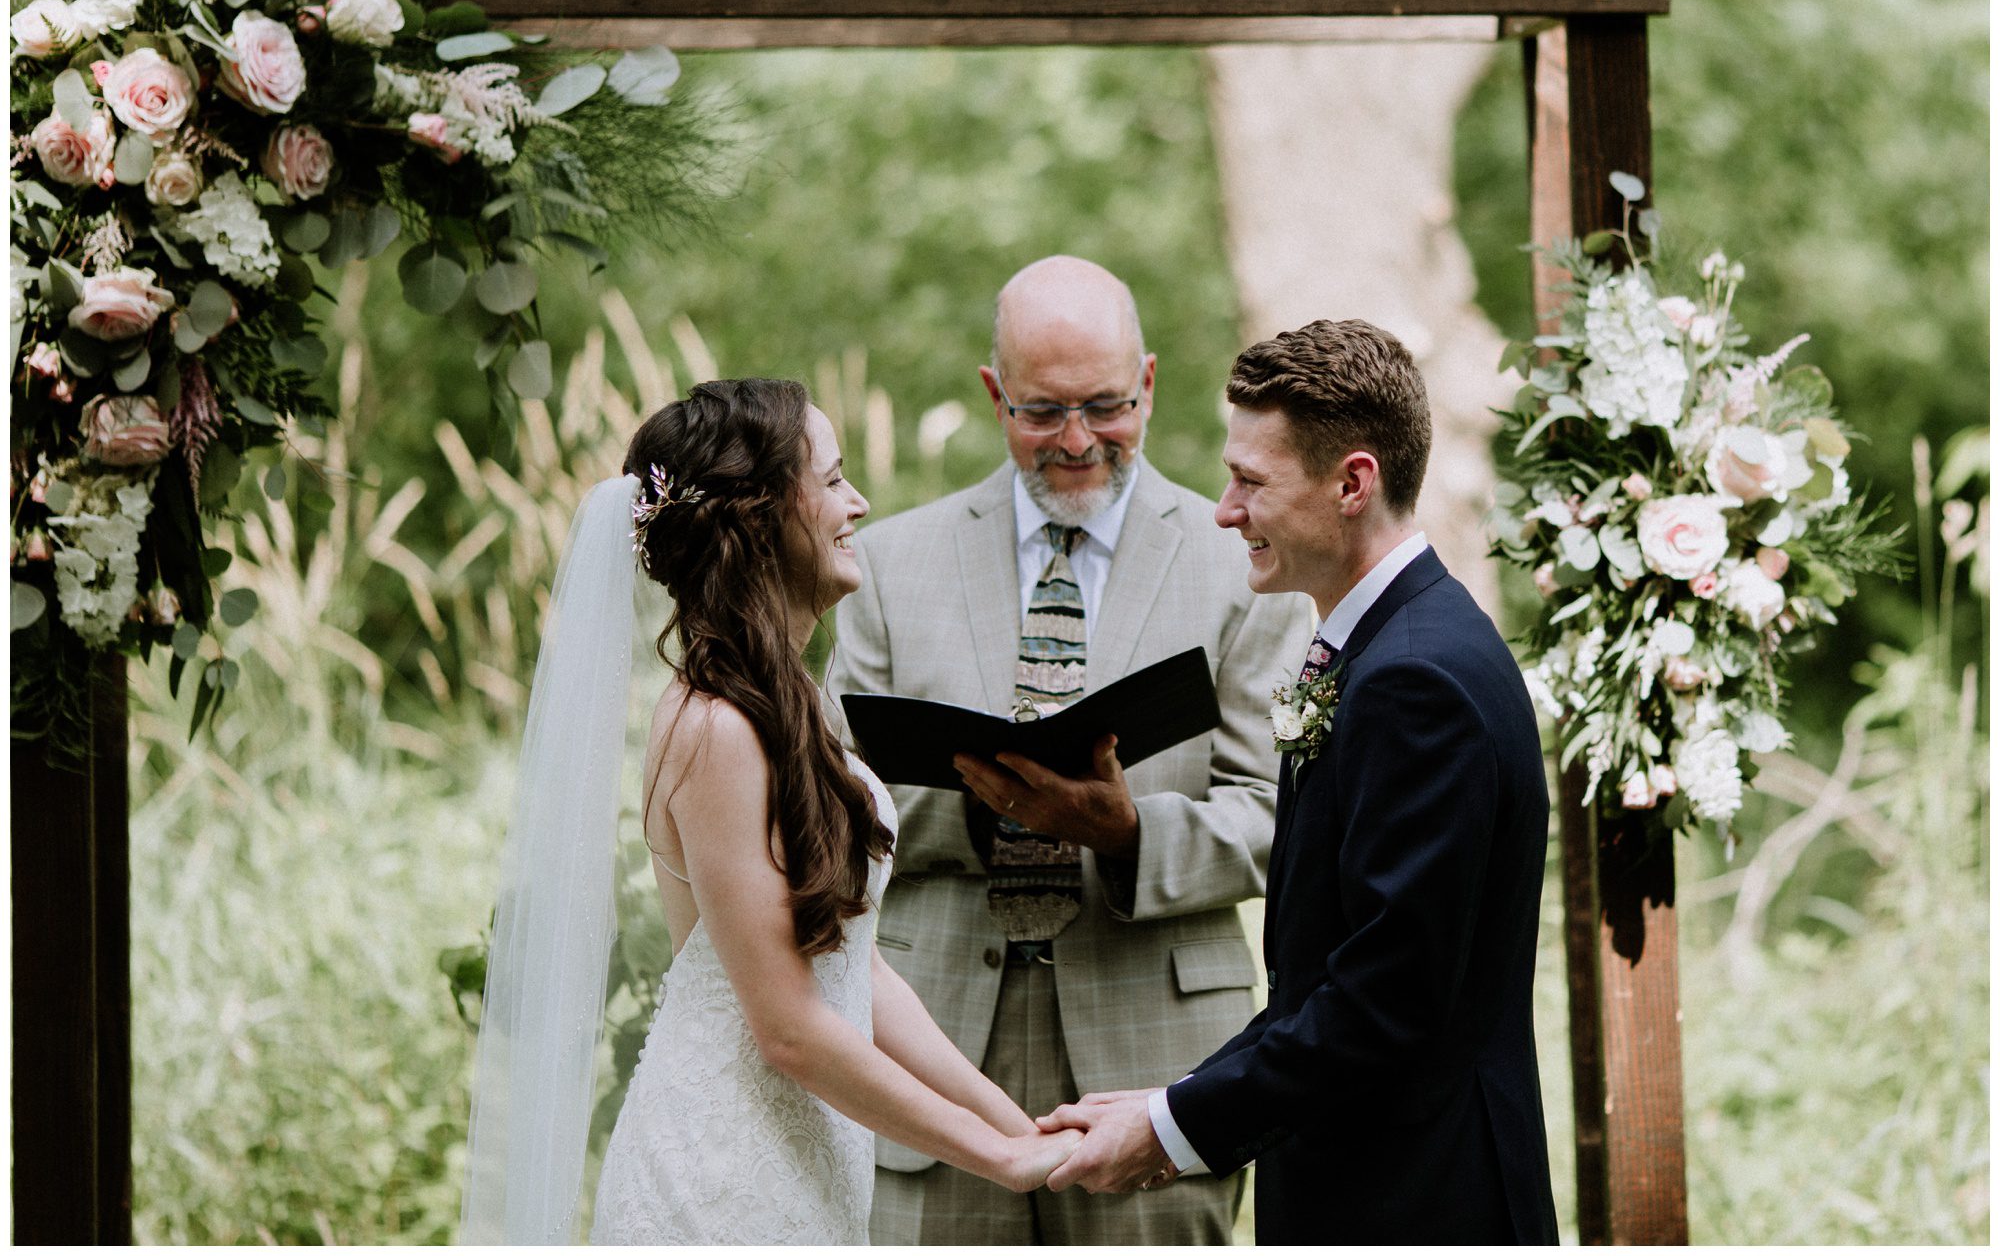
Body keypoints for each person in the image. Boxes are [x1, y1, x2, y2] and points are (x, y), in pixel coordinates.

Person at [460, 379, 1080, 1246]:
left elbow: (854, 967)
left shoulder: (782, 704)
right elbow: (788, 1029)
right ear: (759, 519)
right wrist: (996, 1159)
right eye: (831, 482)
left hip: (802, 1162)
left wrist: (1018, 1125)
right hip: (717, 1181)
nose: (858, 503)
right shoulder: (715, 727)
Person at [1036, 319, 1561, 1244]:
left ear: (1352, 483)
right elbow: (1325, 976)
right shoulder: (1378, 646)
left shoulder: (1415, 680)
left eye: (1250, 482)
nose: (1224, 510)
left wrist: (1167, 1129)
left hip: (1417, 1199)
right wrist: (1177, 1100)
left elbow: (1382, 1002)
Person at [822, 256, 1311, 1243]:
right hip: (936, 1049)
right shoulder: (885, 564)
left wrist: (1129, 831)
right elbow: (830, 803)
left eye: (1106, 405)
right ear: (993, 393)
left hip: (1158, 1052)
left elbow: (1280, 813)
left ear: (1150, 383)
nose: (1078, 440)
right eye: (1042, 412)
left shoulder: (1248, 565)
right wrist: (982, 800)